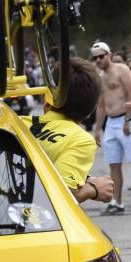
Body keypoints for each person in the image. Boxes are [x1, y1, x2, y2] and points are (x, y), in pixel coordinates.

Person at [21, 57, 114, 204]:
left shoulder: (17, 123)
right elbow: (62, 195)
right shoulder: (81, 140)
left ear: (48, 97)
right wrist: (94, 189)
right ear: (92, 108)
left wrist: (86, 179)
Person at [91, 41, 131, 213]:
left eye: (101, 56)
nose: (98, 60)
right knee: (114, 164)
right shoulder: (100, 76)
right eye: (95, 57)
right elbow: (102, 105)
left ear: (109, 54)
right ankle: (117, 202)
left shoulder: (122, 70)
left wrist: (128, 120)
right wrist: (97, 129)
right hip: (111, 123)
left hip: (126, 119)